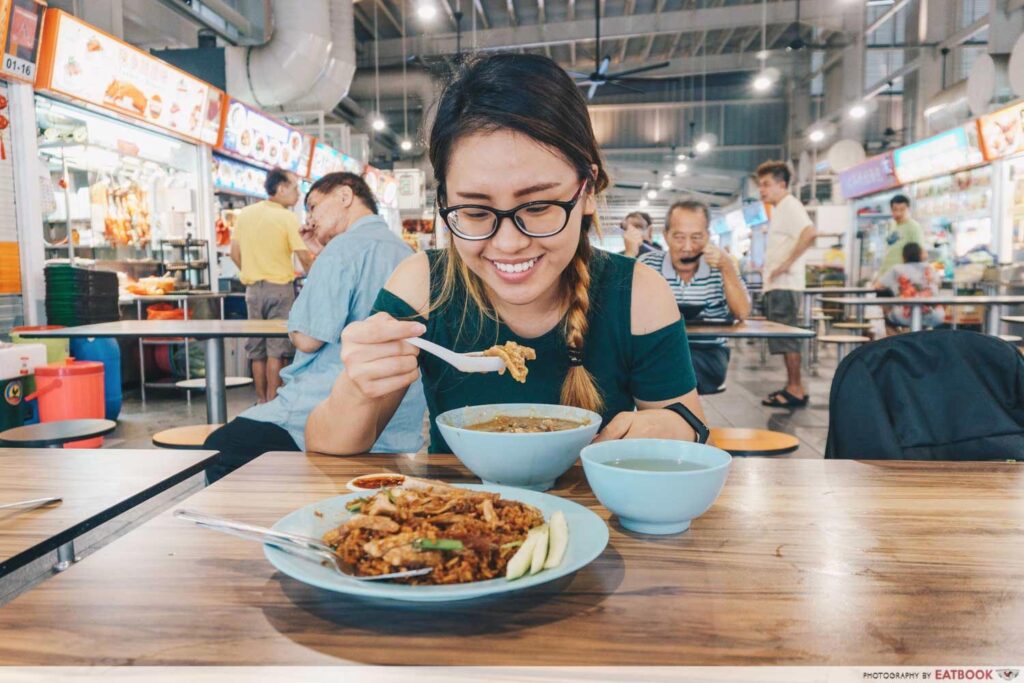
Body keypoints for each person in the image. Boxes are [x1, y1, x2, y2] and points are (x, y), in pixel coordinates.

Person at [306, 53, 707, 456]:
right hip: (457, 514)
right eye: (476, 212)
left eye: (537, 207)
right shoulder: (422, 286)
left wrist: (671, 428)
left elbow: (689, 424)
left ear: (587, 189)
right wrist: (356, 388)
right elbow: (326, 448)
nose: (509, 243)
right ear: (444, 201)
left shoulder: (637, 292)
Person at [206, 172, 427, 481]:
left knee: (219, 449)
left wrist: (297, 322)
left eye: (312, 206)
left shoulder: (343, 248)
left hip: (322, 413)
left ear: (345, 196)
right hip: (399, 426)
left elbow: (307, 339)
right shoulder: (406, 252)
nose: (309, 218)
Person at [640, 200, 750, 394]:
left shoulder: (722, 267)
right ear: (665, 236)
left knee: (667, 373)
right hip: (659, 349)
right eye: (679, 237)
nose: (688, 247)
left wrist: (727, 267)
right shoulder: (647, 265)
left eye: (697, 237)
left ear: (708, 236)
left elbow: (742, 313)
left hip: (708, 354)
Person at [230, 168, 313, 403]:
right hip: (280, 290)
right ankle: (273, 402)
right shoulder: (287, 217)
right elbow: (304, 256)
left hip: (252, 291)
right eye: (295, 187)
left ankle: (261, 401)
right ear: (281, 188)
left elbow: (234, 253)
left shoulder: (245, 214)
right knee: (277, 348)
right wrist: (315, 279)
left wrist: (251, 269)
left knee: (257, 349)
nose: (298, 194)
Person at [755, 160, 817, 409]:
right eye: (760, 185)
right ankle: (793, 385)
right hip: (779, 285)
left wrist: (786, 264)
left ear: (782, 185)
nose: (762, 190)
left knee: (787, 337)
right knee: (784, 337)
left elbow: (810, 233)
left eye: (767, 184)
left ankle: (795, 388)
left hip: (785, 285)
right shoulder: (780, 208)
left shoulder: (790, 205)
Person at [877, 242, 944, 330]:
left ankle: (898, 340)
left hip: (903, 315)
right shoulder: (929, 268)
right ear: (920, 255)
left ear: (904, 256)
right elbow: (938, 284)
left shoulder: (896, 269)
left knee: (887, 315)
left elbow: (878, 286)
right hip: (934, 315)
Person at [878, 194, 925, 279]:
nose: (898, 213)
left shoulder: (913, 227)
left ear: (908, 209)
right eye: (895, 209)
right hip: (886, 277)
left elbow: (921, 254)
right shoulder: (892, 225)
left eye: (902, 210)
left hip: (902, 279)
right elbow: (889, 252)